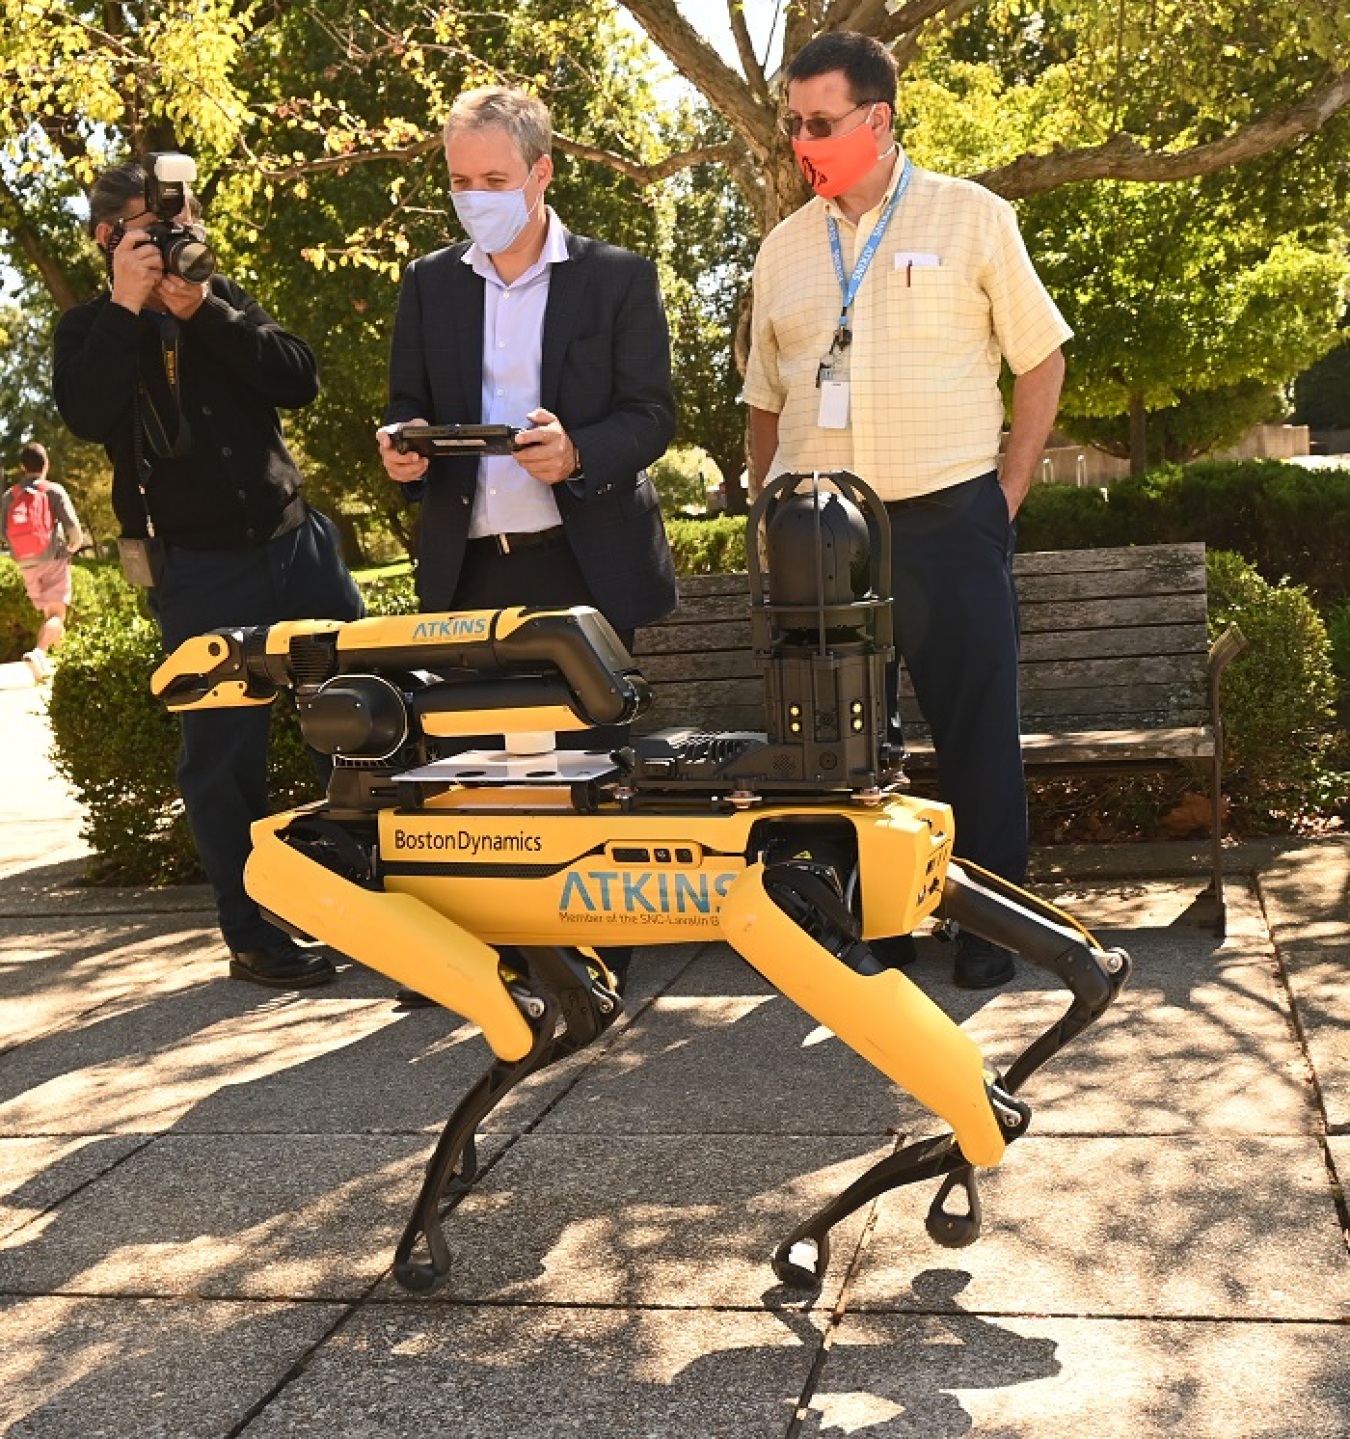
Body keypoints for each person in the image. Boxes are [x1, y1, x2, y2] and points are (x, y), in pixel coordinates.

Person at [744, 31, 1073, 990]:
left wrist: (1006, 492)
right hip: (818, 535)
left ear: (878, 119)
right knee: (838, 748)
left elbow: (1041, 358)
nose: (802, 141)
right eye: (793, 123)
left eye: (820, 122)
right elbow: (764, 399)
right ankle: (868, 926)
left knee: (975, 729)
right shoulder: (782, 248)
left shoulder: (972, 217)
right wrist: (770, 517)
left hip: (947, 515)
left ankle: (994, 925)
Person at [377, 86, 679, 995]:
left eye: (494, 177)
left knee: (588, 768)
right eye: (460, 179)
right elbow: (405, 403)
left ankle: (599, 954)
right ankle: (504, 949)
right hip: (470, 565)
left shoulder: (616, 276)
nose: (474, 195)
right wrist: (403, 448)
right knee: (483, 773)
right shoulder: (430, 282)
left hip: (582, 560)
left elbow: (654, 415)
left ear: (541, 172)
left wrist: (579, 450)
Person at [52, 158, 364, 991]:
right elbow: (85, 413)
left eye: (183, 221)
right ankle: (253, 932)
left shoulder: (225, 301)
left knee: (368, 717)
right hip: (198, 571)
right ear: (106, 238)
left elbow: (299, 380)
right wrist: (129, 303)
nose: (173, 237)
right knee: (222, 760)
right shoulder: (87, 328)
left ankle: (375, 897)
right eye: (151, 228)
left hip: (299, 547)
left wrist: (207, 312)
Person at [1, 442, 83, 683]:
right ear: (46, 463)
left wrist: (20, 548)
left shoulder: (10, 495)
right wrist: (70, 548)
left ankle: (60, 663)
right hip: (52, 557)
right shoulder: (53, 491)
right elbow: (74, 530)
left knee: (50, 615)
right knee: (57, 614)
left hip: (26, 562)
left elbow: (3, 531)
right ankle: (39, 653)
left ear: (22, 467)